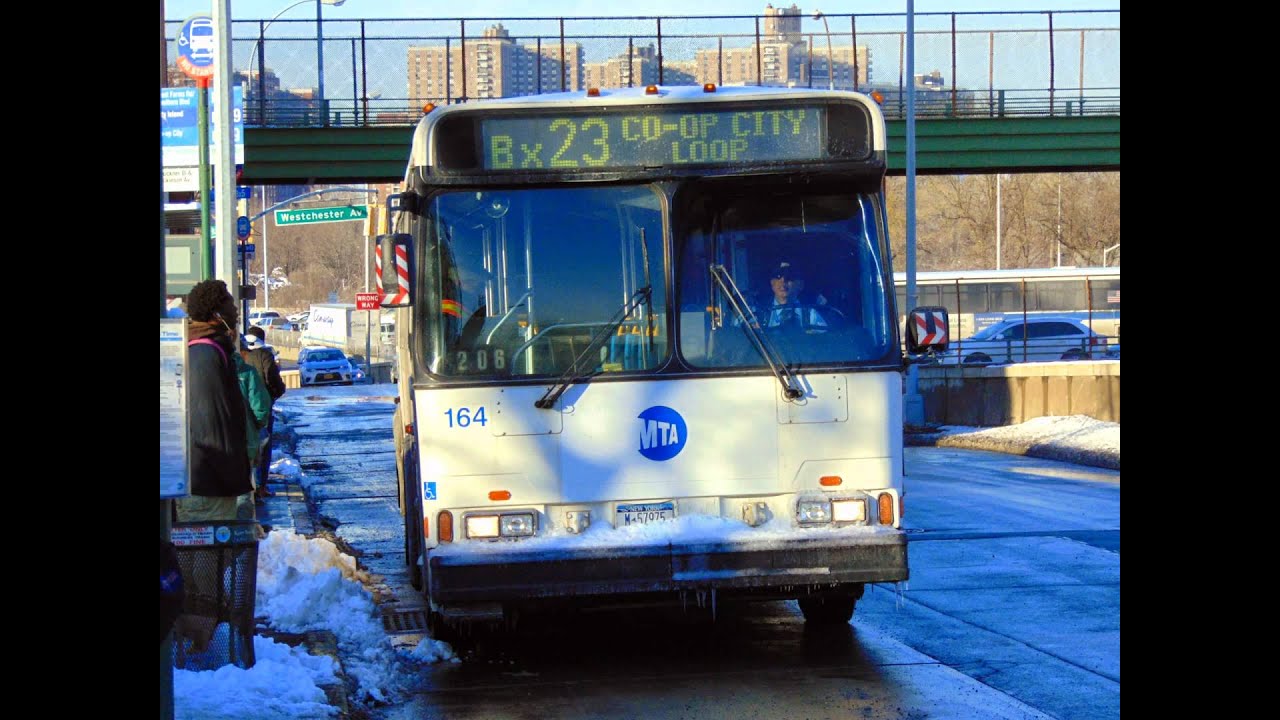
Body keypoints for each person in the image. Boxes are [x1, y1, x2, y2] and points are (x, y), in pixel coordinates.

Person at [178, 279, 252, 523]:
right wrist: (234, 477)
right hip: (207, 489)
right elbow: (211, 425)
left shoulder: (211, 349)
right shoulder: (205, 354)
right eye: (230, 303)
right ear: (216, 313)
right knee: (208, 560)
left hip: (211, 484)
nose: (236, 309)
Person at [243, 326, 286, 499]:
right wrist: (275, 393)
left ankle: (249, 485)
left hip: (243, 407)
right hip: (262, 406)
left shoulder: (241, 355)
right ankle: (261, 486)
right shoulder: (265, 356)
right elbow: (273, 380)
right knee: (264, 445)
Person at [235, 337, 273, 521]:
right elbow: (261, 407)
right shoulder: (246, 372)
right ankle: (243, 534)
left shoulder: (206, 368)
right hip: (244, 441)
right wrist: (255, 426)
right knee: (243, 488)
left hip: (209, 444)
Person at [752, 261, 829, 331]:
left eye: (789, 277)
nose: (783, 281)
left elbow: (826, 341)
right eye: (778, 276)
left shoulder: (811, 315)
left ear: (800, 284)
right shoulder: (756, 313)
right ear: (772, 283)